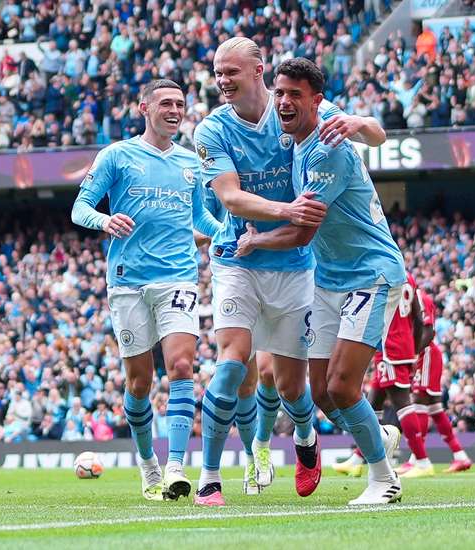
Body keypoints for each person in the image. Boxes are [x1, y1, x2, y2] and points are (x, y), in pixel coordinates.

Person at [191, 37, 387, 506]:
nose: (222, 80)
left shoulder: (300, 109)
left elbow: (375, 135)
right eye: (217, 72)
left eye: (230, 71)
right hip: (237, 257)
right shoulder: (211, 131)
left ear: (257, 70)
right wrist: (288, 210)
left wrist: (361, 122)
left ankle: (305, 440)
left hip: (298, 266)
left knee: (295, 386)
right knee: (232, 361)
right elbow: (231, 198)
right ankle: (210, 477)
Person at [236, 57, 404, 505]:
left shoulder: (326, 147)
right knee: (323, 395)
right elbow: (375, 133)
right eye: (280, 93)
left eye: (295, 94)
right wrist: (361, 121)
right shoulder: (306, 127)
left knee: (344, 386)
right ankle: (378, 435)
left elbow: (302, 231)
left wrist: (257, 241)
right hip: (329, 277)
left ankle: (384, 480)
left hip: (370, 273)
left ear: (317, 101)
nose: (285, 102)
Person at [72, 79, 221, 501]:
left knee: (181, 367)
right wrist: (104, 221)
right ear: (145, 108)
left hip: (177, 276)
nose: (175, 110)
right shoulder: (117, 156)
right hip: (127, 281)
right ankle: (148, 464)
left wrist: (231, 231)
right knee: (139, 383)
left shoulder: (191, 163)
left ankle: (176, 465)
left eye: (180, 104)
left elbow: (202, 221)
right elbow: (80, 208)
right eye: (166, 104)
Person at [335, 270, 431, 478]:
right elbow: (419, 320)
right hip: (404, 346)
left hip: (390, 347)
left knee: (401, 402)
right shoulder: (410, 278)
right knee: (373, 401)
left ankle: (422, 460)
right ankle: (358, 457)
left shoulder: (384, 275)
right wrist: (413, 351)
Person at [413, 289, 472, 472]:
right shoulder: (413, 297)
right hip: (426, 354)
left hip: (426, 354)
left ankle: (417, 459)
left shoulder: (419, 298)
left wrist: (413, 354)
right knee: (435, 410)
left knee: (419, 403)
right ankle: (460, 456)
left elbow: (428, 332)